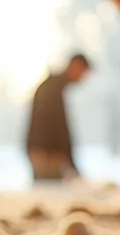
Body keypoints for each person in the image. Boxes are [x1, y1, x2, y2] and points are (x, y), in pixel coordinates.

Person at [25, 53, 91, 182]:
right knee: (50, 195)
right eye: (83, 73)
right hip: (47, 157)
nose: (82, 79)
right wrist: (67, 161)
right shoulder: (52, 89)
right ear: (75, 66)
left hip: (46, 155)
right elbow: (58, 129)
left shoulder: (54, 87)